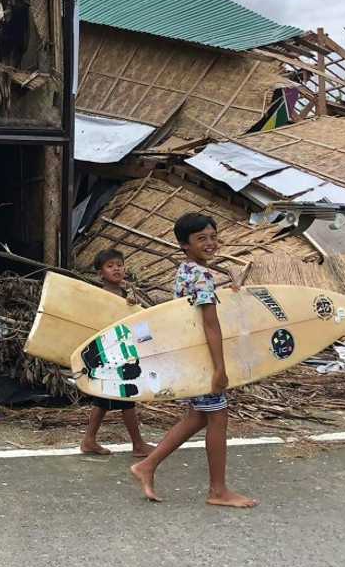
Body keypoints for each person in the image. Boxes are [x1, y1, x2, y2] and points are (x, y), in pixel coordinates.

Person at [129, 213, 257, 507]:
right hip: (202, 359)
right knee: (217, 417)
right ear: (184, 245)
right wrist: (220, 368)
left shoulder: (188, 270)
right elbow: (210, 324)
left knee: (198, 417)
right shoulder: (202, 275)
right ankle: (218, 491)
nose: (210, 243)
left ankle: (146, 466)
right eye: (202, 239)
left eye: (213, 236)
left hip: (189, 356)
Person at [80, 248, 156, 457]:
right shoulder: (101, 296)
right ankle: (137, 444)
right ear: (100, 273)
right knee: (125, 397)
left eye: (119, 265)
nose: (116, 269)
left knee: (104, 400)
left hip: (123, 350)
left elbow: (135, 319)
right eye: (110, 266)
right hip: (108, 352)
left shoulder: (126, 292)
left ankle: (89, 440)